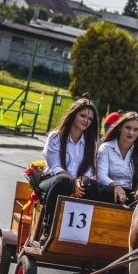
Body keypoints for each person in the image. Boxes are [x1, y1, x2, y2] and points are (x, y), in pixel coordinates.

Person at [38, 98, 100, 244]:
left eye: (90, 119)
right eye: (83, 116)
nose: (86, 121)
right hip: (52, 180)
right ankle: (47, 228)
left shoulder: (91, 143)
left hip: (77, 182)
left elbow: (90, 169)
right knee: (63, 181)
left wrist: (80, 181)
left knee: (92, 186)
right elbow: (56, 166)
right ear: (73, 115)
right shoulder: (56, 136)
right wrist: (74, 181)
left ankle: (80, 233)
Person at [97, 112, 138, 204]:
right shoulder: (106, 148)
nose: (131, 132)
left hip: (129, 194)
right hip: (108, 191)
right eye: (128, 127)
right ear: (120, 127)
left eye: (135, 129)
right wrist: (116, 185)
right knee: (107, 191)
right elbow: (101, 176)